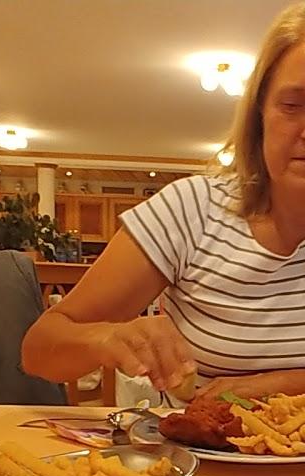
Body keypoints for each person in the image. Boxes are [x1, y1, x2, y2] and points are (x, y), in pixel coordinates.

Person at [22, 1, 305, 402]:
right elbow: (39, 351)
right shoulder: (192, 210)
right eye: (293, 105)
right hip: (196, 460)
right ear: (260, 116)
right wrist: (108, 336)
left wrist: (271, 386)